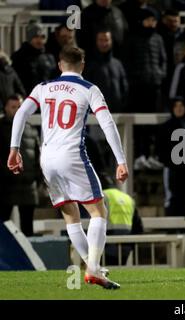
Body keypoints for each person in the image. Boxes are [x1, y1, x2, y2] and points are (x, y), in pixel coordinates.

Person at [7, 46, 128, 289]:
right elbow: (107, 123)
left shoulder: (43, 87)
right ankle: (93, 268)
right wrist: (121, 160)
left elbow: (20, 113)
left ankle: (92, 268)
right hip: (72, 155)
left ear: (60, 65)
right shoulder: (89, 89)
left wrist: (14, 149)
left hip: (47, 158)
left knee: (70, 214)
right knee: (98, 211)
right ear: (82, 65)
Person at [0, 94, 40, 236]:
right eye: (13, 107)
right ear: (5, 108)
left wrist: (36, 177)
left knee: (28, 230)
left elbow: (38, 156)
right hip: (6, 187)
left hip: (29, 187)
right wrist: (7, 174)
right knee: (3, 229)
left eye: (19, 107)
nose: (17, 110)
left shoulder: (31, 128)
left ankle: (27, 259)